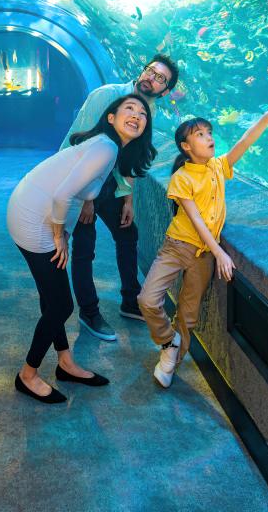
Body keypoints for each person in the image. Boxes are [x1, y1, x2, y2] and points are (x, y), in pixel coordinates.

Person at [8, 94, 157, 404]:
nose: (137, 114)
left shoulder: (108, 147)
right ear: (111, 118)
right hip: (37, 218)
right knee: (61, 306)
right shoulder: (106, 147)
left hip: (33, 209)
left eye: (142, 112)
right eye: (128, 108)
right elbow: (63, 194)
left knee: (52, 299)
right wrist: (59, 236)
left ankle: (65, 363)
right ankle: (28, 375)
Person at [140, 93, 268, 389]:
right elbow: (195, 220)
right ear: (186, 146)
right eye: (200, 134)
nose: (208, 137)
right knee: (147, 299)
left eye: (209, 132)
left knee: (188, 314)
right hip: (177, 246)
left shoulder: (219, 167)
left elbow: (246, 141)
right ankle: (168, 341)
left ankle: (172, 358)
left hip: (203, 257)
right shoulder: (181, 178)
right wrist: (220, 251)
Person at [62, 54, 180, 342]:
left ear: (165, 91)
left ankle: (131, 301)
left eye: (159, 78)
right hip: (76, 178)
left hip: (108, 181)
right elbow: (82, 145)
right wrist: (87, 199)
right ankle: (89, 312)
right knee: (84, 246)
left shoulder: (147, 112)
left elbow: (133, 159)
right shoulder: (107, 96)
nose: (150, 78)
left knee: (128, 235)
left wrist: (127, 200)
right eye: (150, 71)